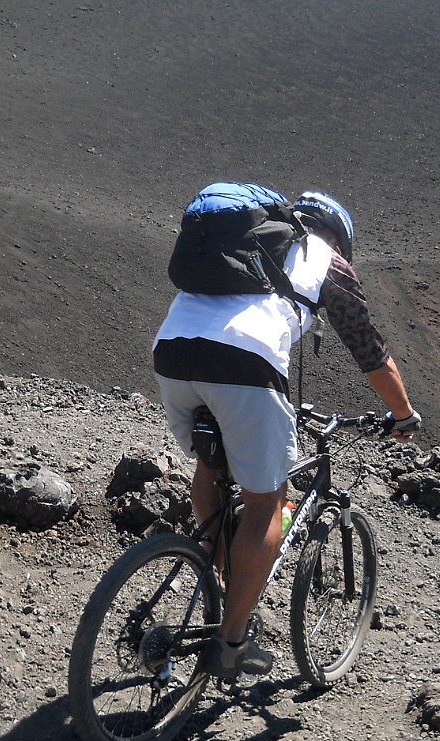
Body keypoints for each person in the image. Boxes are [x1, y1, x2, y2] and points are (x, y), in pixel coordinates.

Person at [152, 186, 421, 678]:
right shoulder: (325, 259)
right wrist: (403, 414)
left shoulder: (246, 244)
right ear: (339, 237)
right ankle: (232, 642)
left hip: (171, 352)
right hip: (244, 363)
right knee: (266, 503)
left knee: (210, 469)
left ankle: (216, 577)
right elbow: (370, 351)